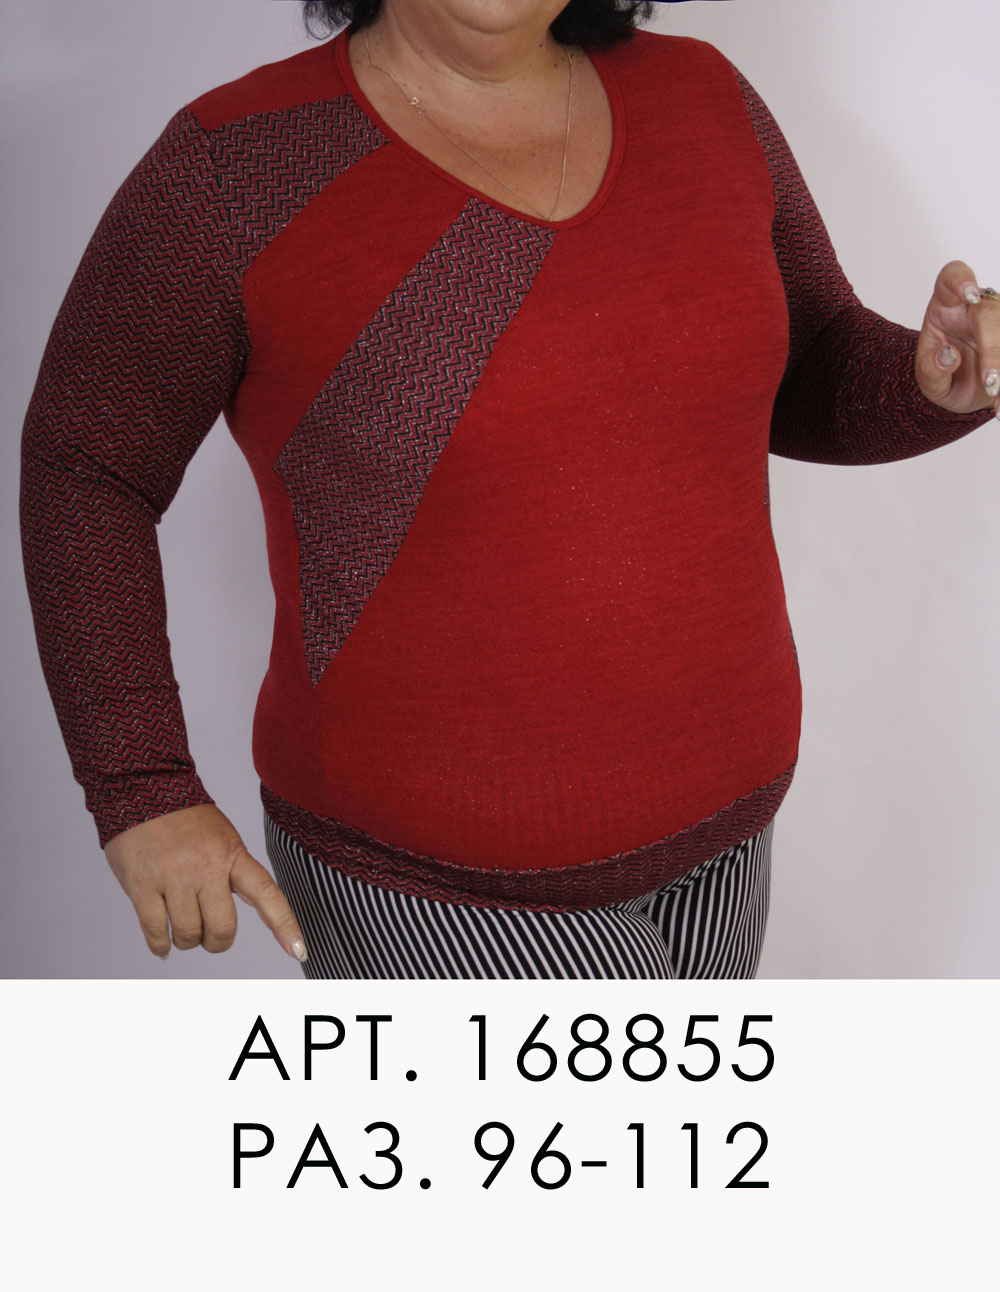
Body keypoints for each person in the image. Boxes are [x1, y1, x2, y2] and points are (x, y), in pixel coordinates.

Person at [19, 0, 999, 980]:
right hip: (423, 890)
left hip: (729, 839)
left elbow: (808, 360)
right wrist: (141, 785)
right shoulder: (234, 166)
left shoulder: (704, 97)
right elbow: (87, 464)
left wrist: (933, 381)